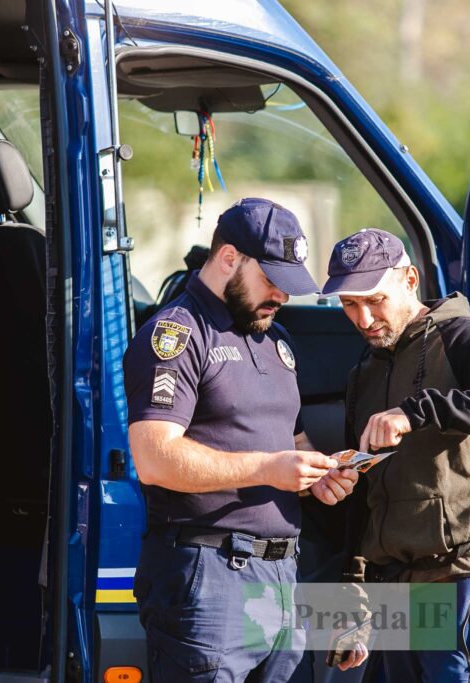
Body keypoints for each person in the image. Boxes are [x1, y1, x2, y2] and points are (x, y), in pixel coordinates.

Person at [123, 198, 358, 682]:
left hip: (281, 578)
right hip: (208, 577)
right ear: (229, 258)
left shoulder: (276, 340)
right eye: (271, 280)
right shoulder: (177, 335)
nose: (281, 296)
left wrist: (319, 474)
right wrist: (267, 470)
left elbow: (289, 439)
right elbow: (154, 457)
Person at [324, 228, 470, 681]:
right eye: (349, 304)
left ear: (409, 279)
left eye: (374, 300)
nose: (363, 318)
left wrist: (416, 411)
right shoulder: (362, 375)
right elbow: (364, 506)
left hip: (467, 571)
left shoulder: (461, 334)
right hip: (397, 588)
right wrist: (352, 600)